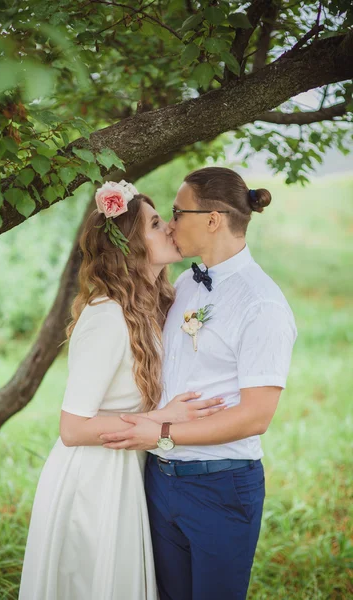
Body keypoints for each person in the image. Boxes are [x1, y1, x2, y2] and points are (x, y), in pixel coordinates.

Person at [18, 180, 225, 600]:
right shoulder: (106, 315)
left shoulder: (152, 306)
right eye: (154, 223)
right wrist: (159, 418)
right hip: (91, 480)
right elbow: (72, 428)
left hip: (126, 471)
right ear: (129, 244)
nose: (169, 226)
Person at [101, 167, 298, 600]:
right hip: (159, 480)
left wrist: (163, 432)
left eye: (177, 211)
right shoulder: (189, 282)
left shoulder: (262, 305)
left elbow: (256, 417)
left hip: (220, 487)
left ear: (212, 219)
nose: (170, 223)